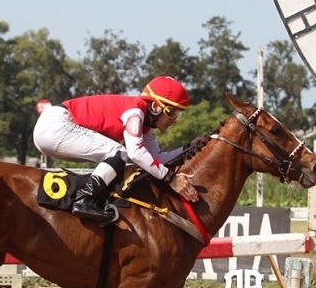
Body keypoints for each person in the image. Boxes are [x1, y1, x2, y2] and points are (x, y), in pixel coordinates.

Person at [33, 76, 200, 224]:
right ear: (156, 106)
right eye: (171, 113)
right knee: (118, 152)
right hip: (55, 125)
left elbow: (157, 158)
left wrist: (189, 148)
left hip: (55, 128)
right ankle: (85, 199)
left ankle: (89, 197)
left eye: (178, 115)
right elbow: (136, 153)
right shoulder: (135, 111)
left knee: (115, 157)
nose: (174, 121)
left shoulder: (145, 124)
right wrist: (171, 179)